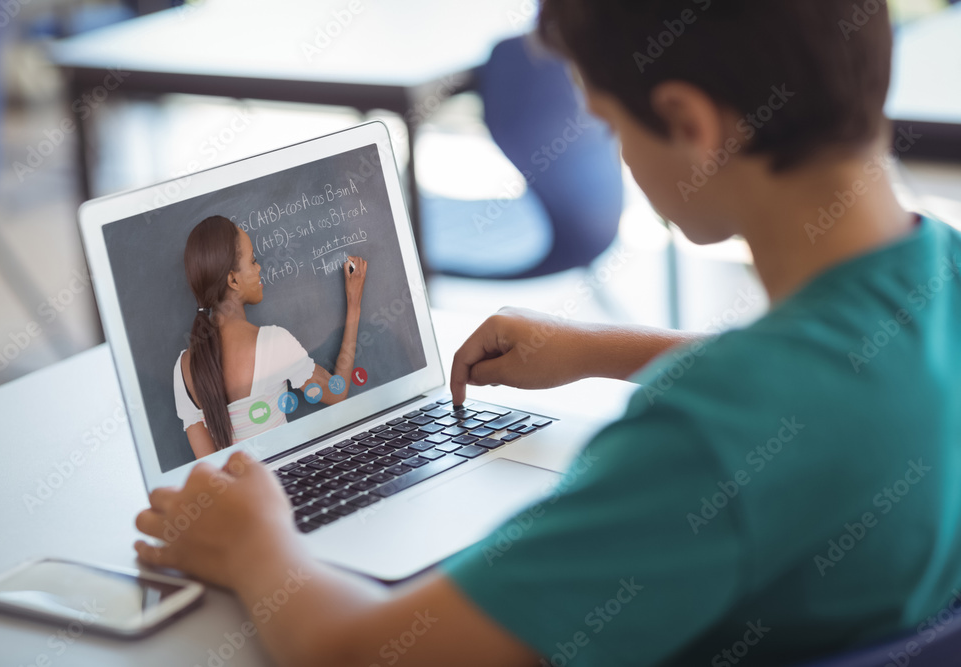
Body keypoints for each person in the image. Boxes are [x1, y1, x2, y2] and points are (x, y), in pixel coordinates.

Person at [135, 1, 961, 664]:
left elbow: (368, 650)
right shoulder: (938, 275)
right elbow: (840, 378)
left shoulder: (703, 447)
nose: (619, 153)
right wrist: (602, 350)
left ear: (689, 123)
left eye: (608, 125)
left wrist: (257, 548)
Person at [173, 215, 368, 458]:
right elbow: (337, 392)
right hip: (289, 488)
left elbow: (211, 468)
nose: (259, 268)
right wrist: (354, 303)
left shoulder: (183, 368)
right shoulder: (272, 343)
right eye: (253, 261)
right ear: (233, 280)